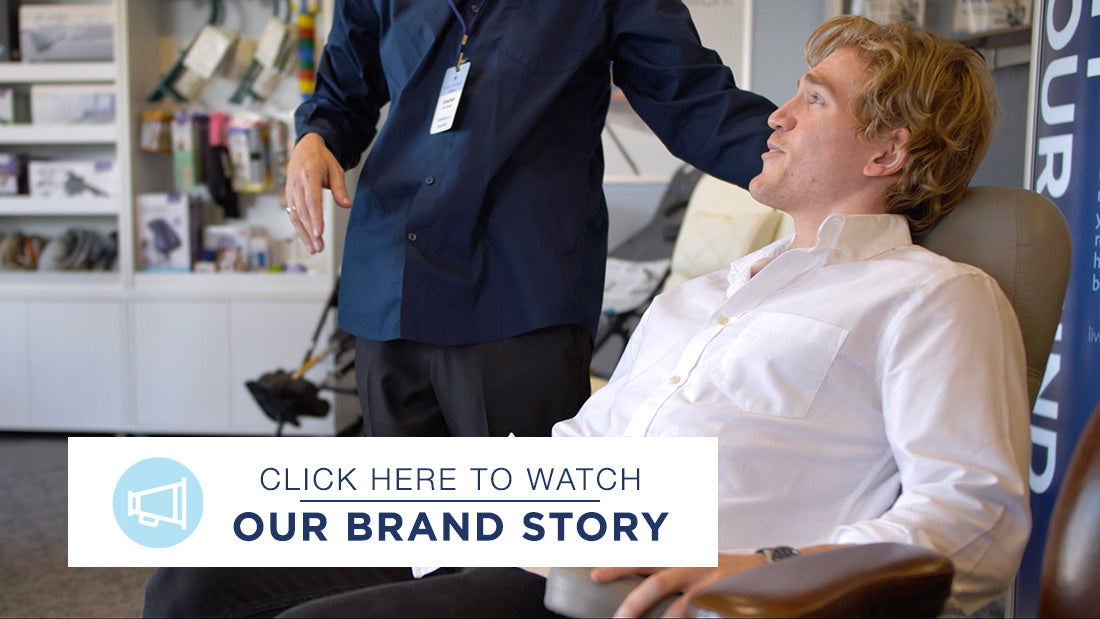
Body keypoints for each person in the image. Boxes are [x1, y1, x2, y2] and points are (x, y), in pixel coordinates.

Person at [144, 14, 1030, 619]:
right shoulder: (708, 295)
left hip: (625, 580)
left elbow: (977, 519)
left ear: (887, 148)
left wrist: (774, 565)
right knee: (195, 577)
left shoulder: (933, 295)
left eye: (814, 100)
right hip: (529, 516)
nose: (780, 115)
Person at [282, 0, 775, 439]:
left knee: (525, 523)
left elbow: (692, 99)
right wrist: (315, 139)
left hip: (515, 297)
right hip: (389, 288)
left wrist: (800, 159)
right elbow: (342, 94)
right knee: (404, 518)